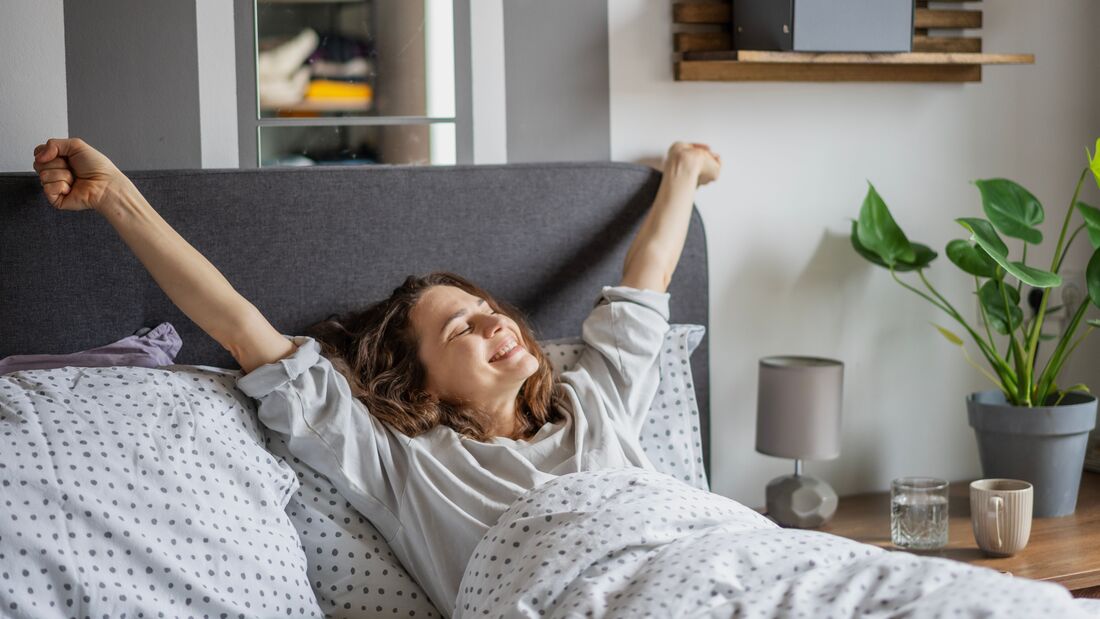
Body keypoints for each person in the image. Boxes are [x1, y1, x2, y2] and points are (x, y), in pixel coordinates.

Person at [31, 137, 721, 615]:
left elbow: (646, 279)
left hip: (713, 560)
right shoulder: (404, 464)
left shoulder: (596, 400)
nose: (495, 324)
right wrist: (116, 196)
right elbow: (241, 327)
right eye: (462, 329)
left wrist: (683, 170)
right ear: (420, 387)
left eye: (486, 310)